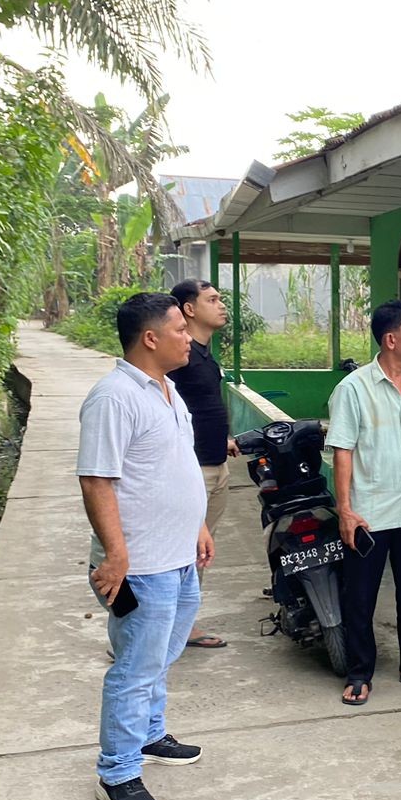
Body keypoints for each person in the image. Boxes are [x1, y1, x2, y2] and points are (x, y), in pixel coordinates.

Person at [78, 292, 213, 800]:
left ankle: (151, 735)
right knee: (135, 666)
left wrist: (198, 524)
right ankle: (117, 771)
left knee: (161, 656)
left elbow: (172, 469)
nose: (189, 335)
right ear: (150, 338)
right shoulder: (114, 398)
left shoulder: (168, 391)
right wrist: (115, 555)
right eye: (180, 328)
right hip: (140, 566)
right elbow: (97, 480)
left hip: (178, 557)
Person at [327, 300, 401, 705]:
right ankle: (359, 672)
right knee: (360, 594)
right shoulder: (354, 389)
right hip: (368, 507)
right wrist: (345, 509)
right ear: (390, 339)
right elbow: (342, 450)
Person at [167, 278, 238, 650]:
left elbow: (199, 407)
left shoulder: (205, 355)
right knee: (178, 550)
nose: (221, 305)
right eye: (212, 299)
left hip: (215, 464)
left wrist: (221, 440)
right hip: (192, 471)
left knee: (198, 552)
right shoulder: (178, 357)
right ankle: (148, 631)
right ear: (189, 309)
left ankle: (182, 624)